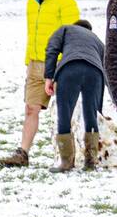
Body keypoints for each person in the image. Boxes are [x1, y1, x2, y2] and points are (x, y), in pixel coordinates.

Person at [0, 0, 81, 167]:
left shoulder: (66, 1)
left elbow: (74, 34)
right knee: (30, 108)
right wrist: (29, 60)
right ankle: (23, 153)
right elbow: (31, 34)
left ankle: (70, 156)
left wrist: (64, 62)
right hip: (35, 63)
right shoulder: (31, 2)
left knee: (64, 110)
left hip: (59, 63)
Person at [42, 20, 106, 172]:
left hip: (70, 68)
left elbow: (52, 49)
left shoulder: (65, 29)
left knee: (64, 114)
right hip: (95, 72)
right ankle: (91, 161)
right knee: (90, 114)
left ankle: (66, 162)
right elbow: (108, 63)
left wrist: (48, 78)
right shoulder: (96, 39)